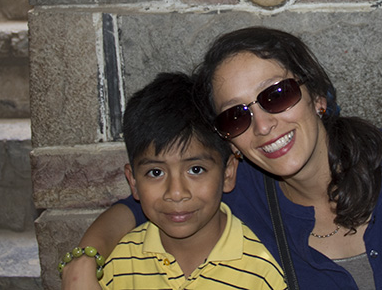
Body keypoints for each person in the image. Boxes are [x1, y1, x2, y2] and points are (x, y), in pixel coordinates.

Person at [62, 28, 382, 289]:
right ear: (229, 144)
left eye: (276, 95)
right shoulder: (241, 194)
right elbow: (137, 206)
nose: (262, 125)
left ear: (316, 95)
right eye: (237, 116)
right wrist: (84, 259)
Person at [85, 72, 287, 290]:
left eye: (196, 169)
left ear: (228, 173)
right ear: (133, 182)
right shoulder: (116, 266)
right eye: (155, 173)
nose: (176, 192)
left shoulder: (263, 270)